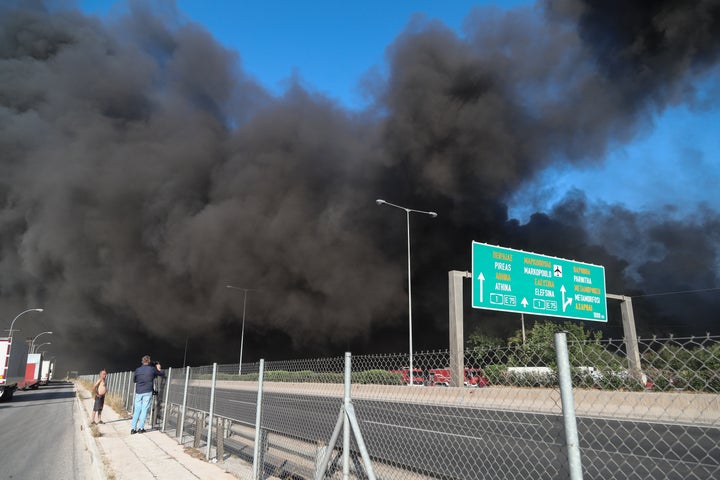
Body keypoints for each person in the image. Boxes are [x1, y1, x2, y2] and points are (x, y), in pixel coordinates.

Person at [130, 355, 165, 434]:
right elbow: (161, 373)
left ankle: (133, 429)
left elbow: (134, 380)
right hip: (147, 391)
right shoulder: (152, 369)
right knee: (144, 409)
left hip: (139, 392)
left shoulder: (137, 370)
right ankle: (141, 428)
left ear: (142, 361)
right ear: (149, 361)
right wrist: (158, 368)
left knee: (137, 410)